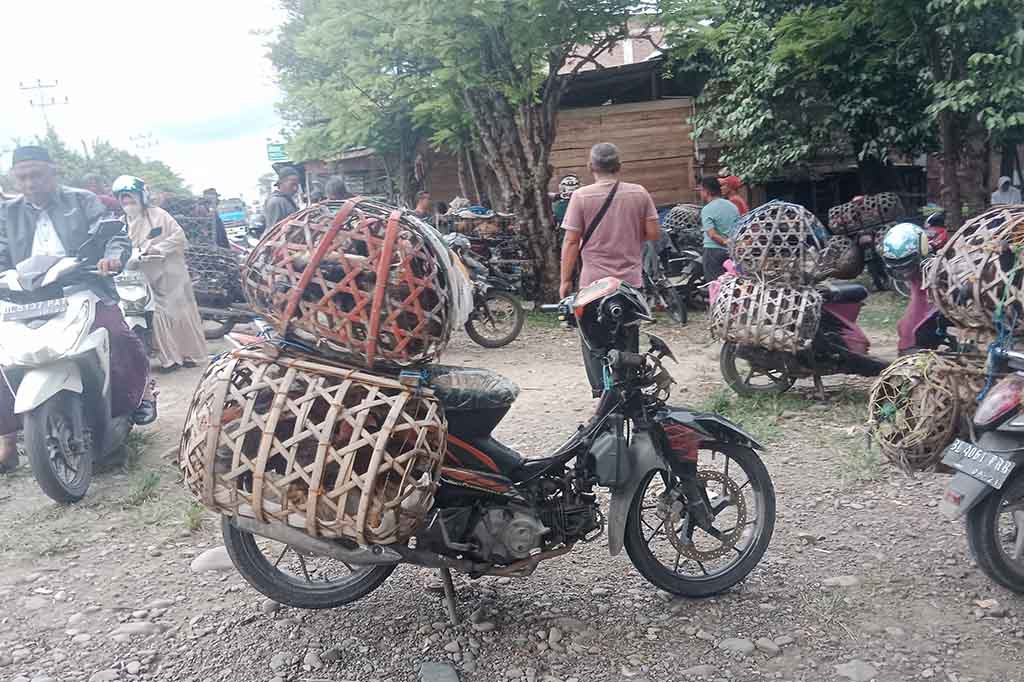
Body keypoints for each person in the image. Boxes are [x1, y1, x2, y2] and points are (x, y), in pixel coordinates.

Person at [0, 147, 156, 472]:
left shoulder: (82, 200)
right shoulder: (7, 212)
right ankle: (8, 433)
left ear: (52, 171)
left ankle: (141, 394)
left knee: (117, 334)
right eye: (23, 176)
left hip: (82, 286)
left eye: (37, 174)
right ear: (15, 178)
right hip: (23, 299)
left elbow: (114, 234)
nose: (30, 182)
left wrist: (112, 257)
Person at [559, 143, 660, 396]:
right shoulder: (639, 193)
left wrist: (564, 281)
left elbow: (571, 241)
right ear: (619, 166)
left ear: (590, 166)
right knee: (627, 337)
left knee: (593, 341)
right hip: (628, 284)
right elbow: (653, 233)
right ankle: (628, 389)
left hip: (593, 286)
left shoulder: (580, 197)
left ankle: (602, 393)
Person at [115, 176, 208, 371]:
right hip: (141, 276)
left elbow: (179, 237)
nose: (128, 204)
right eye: (124, 200)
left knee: (180, 313)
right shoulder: (121, 222)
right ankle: (170, 359)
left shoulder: (159, 215)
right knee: (156, 316)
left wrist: (158, 249)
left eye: (131, 199)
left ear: (141, 197)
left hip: (170, 272)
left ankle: (189, 355)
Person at [699, 175, 740, 282]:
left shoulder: (707, 209)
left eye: (701, 190)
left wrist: (725, 242)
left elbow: (712, 235)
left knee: (715, 285)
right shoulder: (732, 206)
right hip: (731, 252)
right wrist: (730, 244)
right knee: (732, 283)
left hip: (713, 252)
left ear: (706, 191)